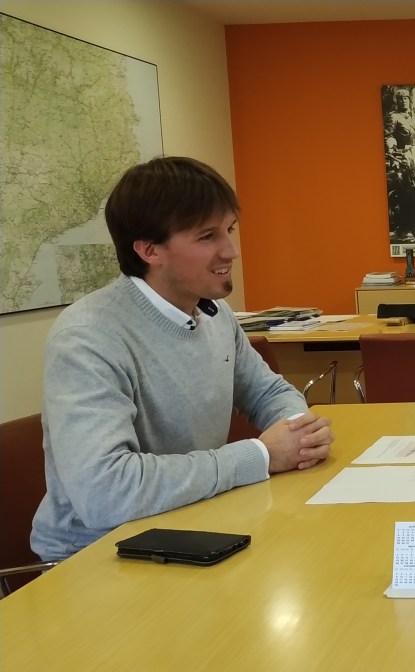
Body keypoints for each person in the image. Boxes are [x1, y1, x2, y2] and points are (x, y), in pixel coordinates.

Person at [31, 156, 334, 561]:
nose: (231, 251)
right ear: (149, 250)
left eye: (229, 229)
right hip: (99, 555)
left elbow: (266, 391)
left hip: (194, 526)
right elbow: (105, 493)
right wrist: (260, 456)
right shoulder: (88, 337)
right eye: (207, 236)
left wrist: (300, 434)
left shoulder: (213, 312)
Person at [384, 87, 415, 155]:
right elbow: (388, 135)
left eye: (405, 98)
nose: (403, 101)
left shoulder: (414, 116)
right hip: (402, 152)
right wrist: (393, 148)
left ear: (409, 100)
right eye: (400, 99)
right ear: (397, 102)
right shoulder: (394, 117)